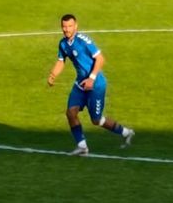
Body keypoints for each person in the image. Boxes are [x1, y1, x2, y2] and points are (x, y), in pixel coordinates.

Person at [46, 13, 134, 155]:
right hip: (81, 84)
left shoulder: (83, 41)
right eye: (64, 26)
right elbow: (61, 61)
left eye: (70, 26)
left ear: (76, 26)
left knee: (96, 120)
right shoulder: (63, 44)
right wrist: (53, 75)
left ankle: (126, 132)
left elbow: (100, 59)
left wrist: (91, 79)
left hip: (96, 84)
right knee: (71, 112)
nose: (67, 29)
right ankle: (82, 146)